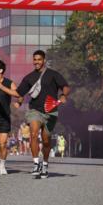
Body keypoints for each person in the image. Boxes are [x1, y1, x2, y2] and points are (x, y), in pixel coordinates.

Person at [17, 50, 70, 179]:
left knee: (46, 141)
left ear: (44, 60)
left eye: (39, 59)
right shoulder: (29, 77)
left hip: (51, 111)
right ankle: (36, 164)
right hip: (35, 110)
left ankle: (45, 164)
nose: (36, 62)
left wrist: (63, 95)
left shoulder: (53, 74)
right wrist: (18, 100)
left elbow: (65, 86)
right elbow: (19, 92)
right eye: (34, 59)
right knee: (33, 134)